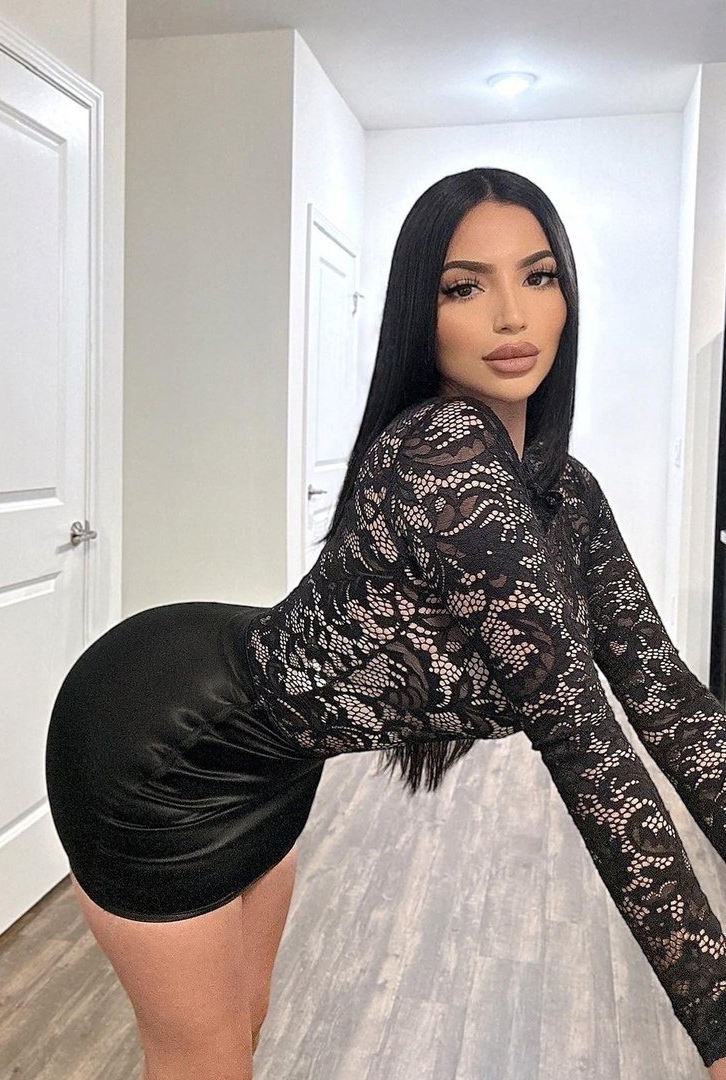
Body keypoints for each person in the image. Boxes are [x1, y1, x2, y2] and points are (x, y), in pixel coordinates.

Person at [44, 166, 726, 1079]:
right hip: (164, 750)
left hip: (277, 763)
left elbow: (671, 702)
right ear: (421, 311)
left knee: (244, 1021)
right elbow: (585, 740)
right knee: (205, 1056)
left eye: (538, 276)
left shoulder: (566, 493)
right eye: (464, 287)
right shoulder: (441, 454)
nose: (512, 316)